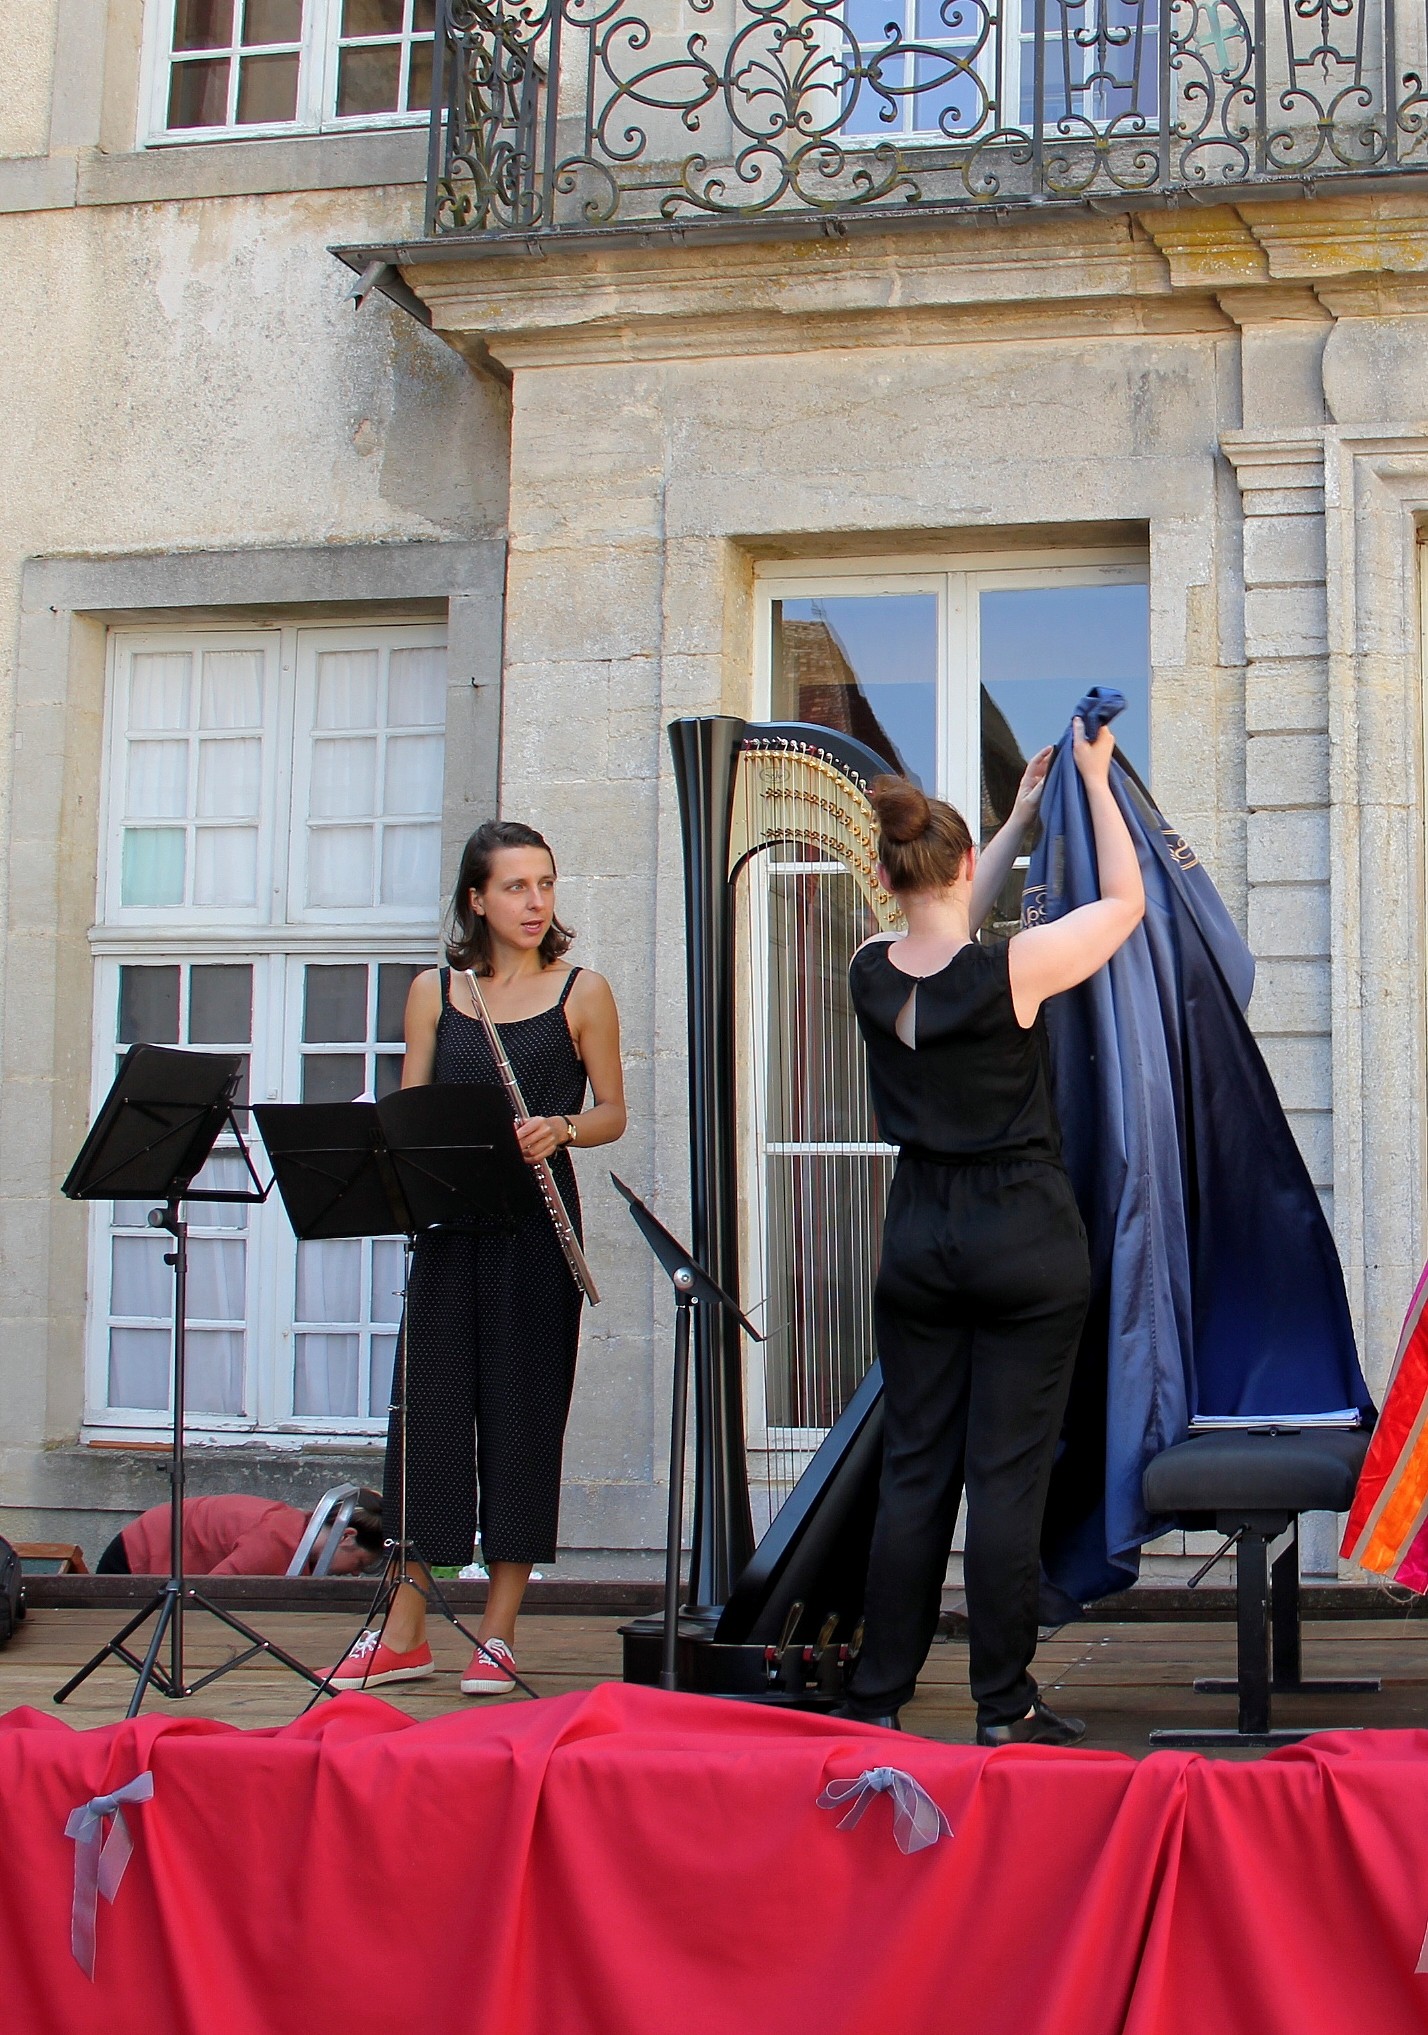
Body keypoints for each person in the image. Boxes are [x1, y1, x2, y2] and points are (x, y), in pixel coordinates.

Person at [839, 718, 1144, 1744]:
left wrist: (1009, 821)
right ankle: (1002, 1705)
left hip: (920, 1239)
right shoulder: (1012, 971)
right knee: (1005, 1476)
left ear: (886, 877)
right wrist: (1093, 784)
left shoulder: (869, 970)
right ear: (964, 865)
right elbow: (1126, 904)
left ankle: (878, 1694)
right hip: (1022, 1235)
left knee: (917, 1466)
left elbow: (938, 926)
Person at [327, 819, 626, 1695]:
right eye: (515, 887)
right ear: (475, 899)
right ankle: (406, 1628)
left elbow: (613, 1110)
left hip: (536, 1227)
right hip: (451, 1230)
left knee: (523, 1421)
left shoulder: (584, 991)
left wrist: (563, 1125)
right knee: (426, 1424)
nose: (535, 902)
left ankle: (497, 1631)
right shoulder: (436, 991)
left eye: (545, 883)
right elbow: (411, 1109)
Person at [96, 1493, 384, 1577]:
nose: (356, 1574)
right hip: (138, 1556)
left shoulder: (296, 1531)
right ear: (346, 1537)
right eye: (360, 1563)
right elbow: (214, 1596)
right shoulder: (275, 1542)